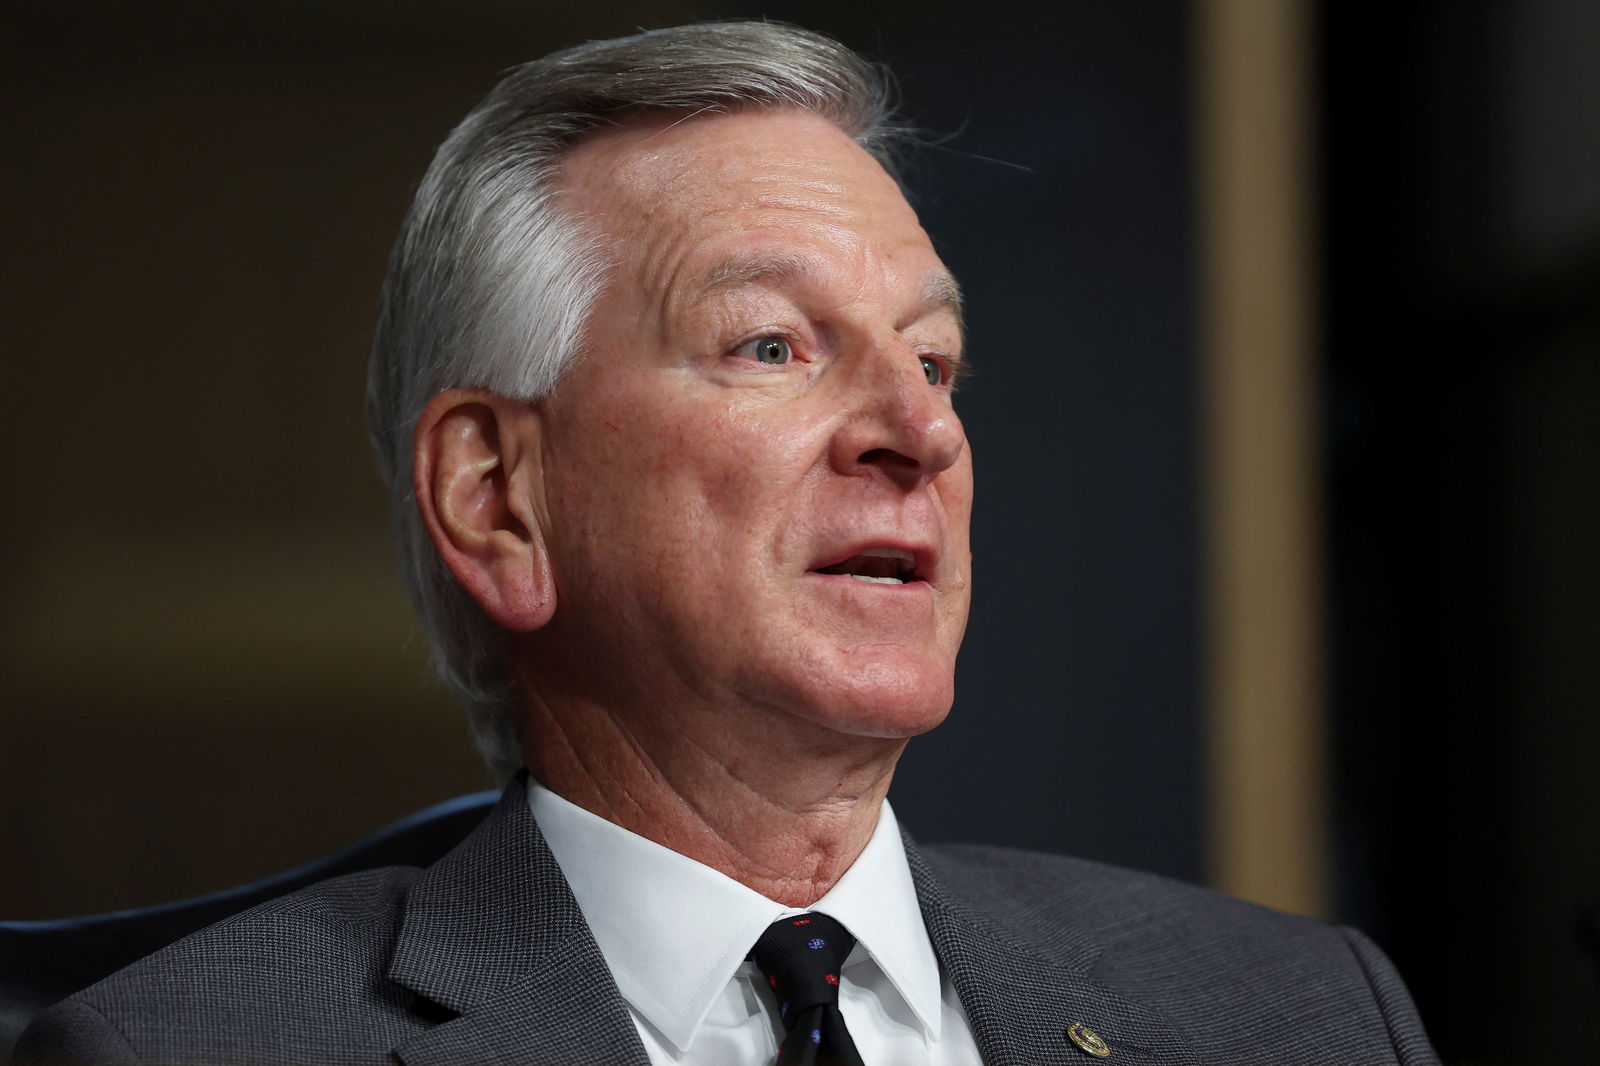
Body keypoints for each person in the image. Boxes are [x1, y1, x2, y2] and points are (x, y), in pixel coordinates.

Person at [19, 20, 1437, 1066]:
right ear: (497, 498)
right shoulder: (184, 1047)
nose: (917, 431)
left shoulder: (1303, 1015)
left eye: (937, 363)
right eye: (771, 344)